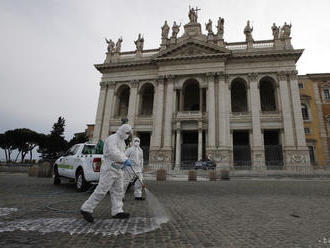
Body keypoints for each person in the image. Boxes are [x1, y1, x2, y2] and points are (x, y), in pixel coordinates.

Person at [80, 124, 132, 222]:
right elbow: (113, 152)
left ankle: (117, 211)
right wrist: (125, 159)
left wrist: (123, 162)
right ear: (121, 131)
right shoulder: (112, 138)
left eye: (129, 133)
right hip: (109, 169)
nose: (127, 135)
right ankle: (86, 208)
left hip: (118, 169)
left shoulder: (122, 142)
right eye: (126, 133)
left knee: (118, 191)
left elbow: (121, 154)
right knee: (102, 190)